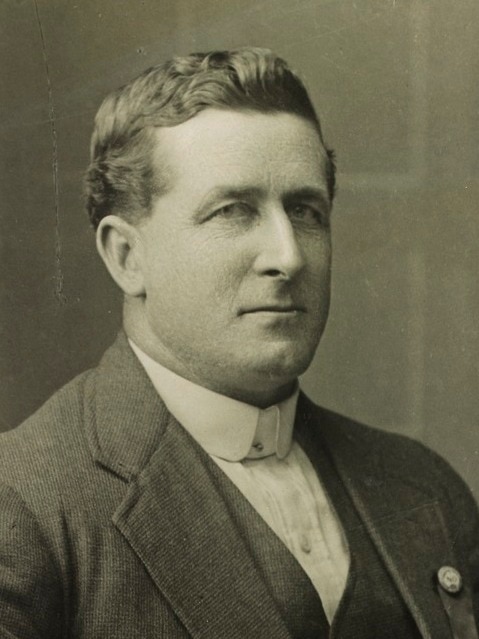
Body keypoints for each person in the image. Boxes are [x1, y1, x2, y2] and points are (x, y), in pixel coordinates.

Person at [0, 47, 477, 639]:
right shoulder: (23, 504)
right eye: (232, 211)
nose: (288, 256)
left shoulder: (425, 487)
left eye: (305, 212)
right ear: (128, 257)